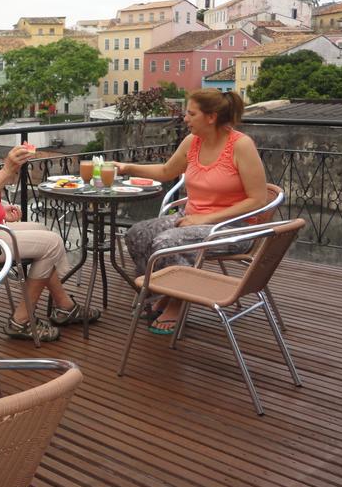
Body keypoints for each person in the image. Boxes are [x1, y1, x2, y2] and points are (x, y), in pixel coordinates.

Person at [0, 87, 98, 342]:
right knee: (52, 243)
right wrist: (8, 169)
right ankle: (22, 319)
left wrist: (1, 208)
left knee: (42, 232)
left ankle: (64, 305)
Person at [112, 89, 268, 335]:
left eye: (191, 113)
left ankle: (177, 302)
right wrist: (127, 167)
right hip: (191, 219)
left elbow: (258, 199)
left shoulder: (241, 146)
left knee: (167, 241)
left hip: (233, 228)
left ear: (211, 117)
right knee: (136, 234)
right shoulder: (191, 142)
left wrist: (207, 218)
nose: (185, 118)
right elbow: (166, 172)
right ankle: (163, 292)